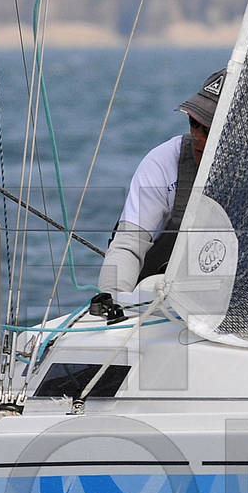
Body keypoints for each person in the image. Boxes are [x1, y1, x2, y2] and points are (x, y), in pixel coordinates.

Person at [92, 70, 224, 321]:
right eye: (194, 123)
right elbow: (128, 244)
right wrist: (112, 299)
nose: (198, 135)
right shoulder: (163, 162)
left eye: (208, 128)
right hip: (162, 310)